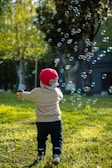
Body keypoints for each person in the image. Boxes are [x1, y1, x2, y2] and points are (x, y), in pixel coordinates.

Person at [17, 68, 63, 165]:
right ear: (55, 81)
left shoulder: (36, 92)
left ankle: (41, 154)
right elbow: (61, 97)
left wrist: (23, 94)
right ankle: (56, 155)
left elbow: (29, 95)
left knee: (41, 138)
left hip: (42, 122)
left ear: (41, 82)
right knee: (57, 138)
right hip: (55, 121)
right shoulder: (57, 92)